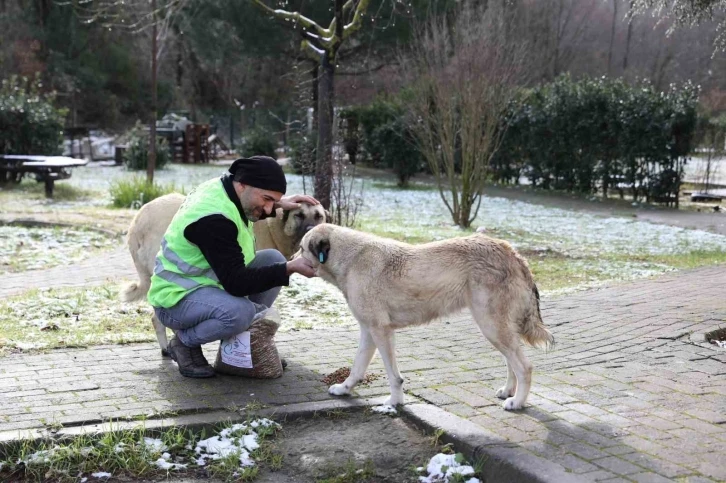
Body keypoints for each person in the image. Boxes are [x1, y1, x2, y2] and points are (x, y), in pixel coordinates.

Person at [147, 155, 318, 378]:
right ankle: (183, 343)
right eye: (266, 199)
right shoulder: (213, 219)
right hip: (176, 299)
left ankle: (238, 349)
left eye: (272, 201)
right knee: (240, 312)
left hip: (206, 286)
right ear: (243, 184)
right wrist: (290, 268)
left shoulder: (227, 188)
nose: (268, 209)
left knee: (273, 259)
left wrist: (277, 203)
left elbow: (250, 202)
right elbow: (237, 283)